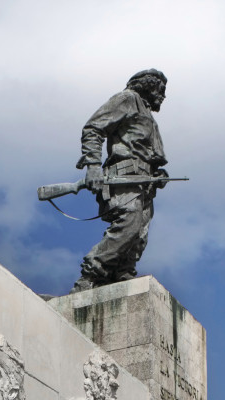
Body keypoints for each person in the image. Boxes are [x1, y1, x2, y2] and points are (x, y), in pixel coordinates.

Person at [72, 68, 169, 291]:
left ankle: (121, 275)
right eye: (161, 89)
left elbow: (146, 152)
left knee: (139, 236)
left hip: (144, 183)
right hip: (124, 178)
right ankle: (89, 275)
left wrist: (157, 173)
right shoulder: (127, 99)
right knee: (129, 225)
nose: (164, 95)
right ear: (148, 85)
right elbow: (93, 129)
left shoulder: (147, 114)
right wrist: (93, 166)